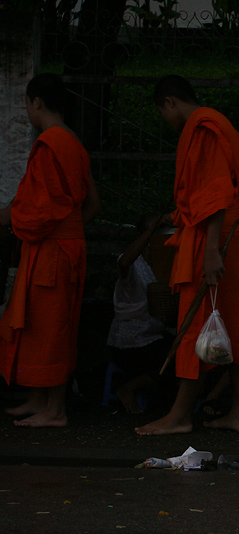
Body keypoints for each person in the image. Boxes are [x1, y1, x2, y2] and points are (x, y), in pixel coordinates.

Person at [135, 75, 239, 435]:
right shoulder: (220, 125)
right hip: (235, 234)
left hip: (216, 239)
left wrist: (211, 250)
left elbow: (215, 193)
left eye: (163, 112)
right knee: (237, 328)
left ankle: (179, 416)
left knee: (196, 326)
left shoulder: (203, 128)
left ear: (169, 101)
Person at [0, 73, 101, 427]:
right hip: (61, 245)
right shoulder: (71, 142)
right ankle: (38, 397)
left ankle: (55, 410)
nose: (28, 110)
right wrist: (67, 231)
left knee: (53, 329)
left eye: (27, 104)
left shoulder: (51, 143)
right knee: (37, 325)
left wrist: (13, 221)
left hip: (52, 249)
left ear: (37, 102)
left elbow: (39, 211)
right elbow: (91, 205)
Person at [106, 212, 174, 414]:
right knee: (175, 361)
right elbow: (124, 262)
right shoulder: (133, 263)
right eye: (153, 231)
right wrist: (151, 230)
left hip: (155, 336)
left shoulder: (164, 263)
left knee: (191, 352)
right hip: (130, 343)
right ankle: (127, 389)